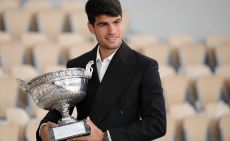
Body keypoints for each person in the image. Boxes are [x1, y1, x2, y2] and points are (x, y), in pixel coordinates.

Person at [36, 0, 166, 140]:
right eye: (104, 24)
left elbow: (157, 124)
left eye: (116, 22)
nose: (112, 31)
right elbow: (61, 109)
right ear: (91, 27)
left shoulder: (145, 66)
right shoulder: (77, 64)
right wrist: (43, 128)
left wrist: (106, 137)